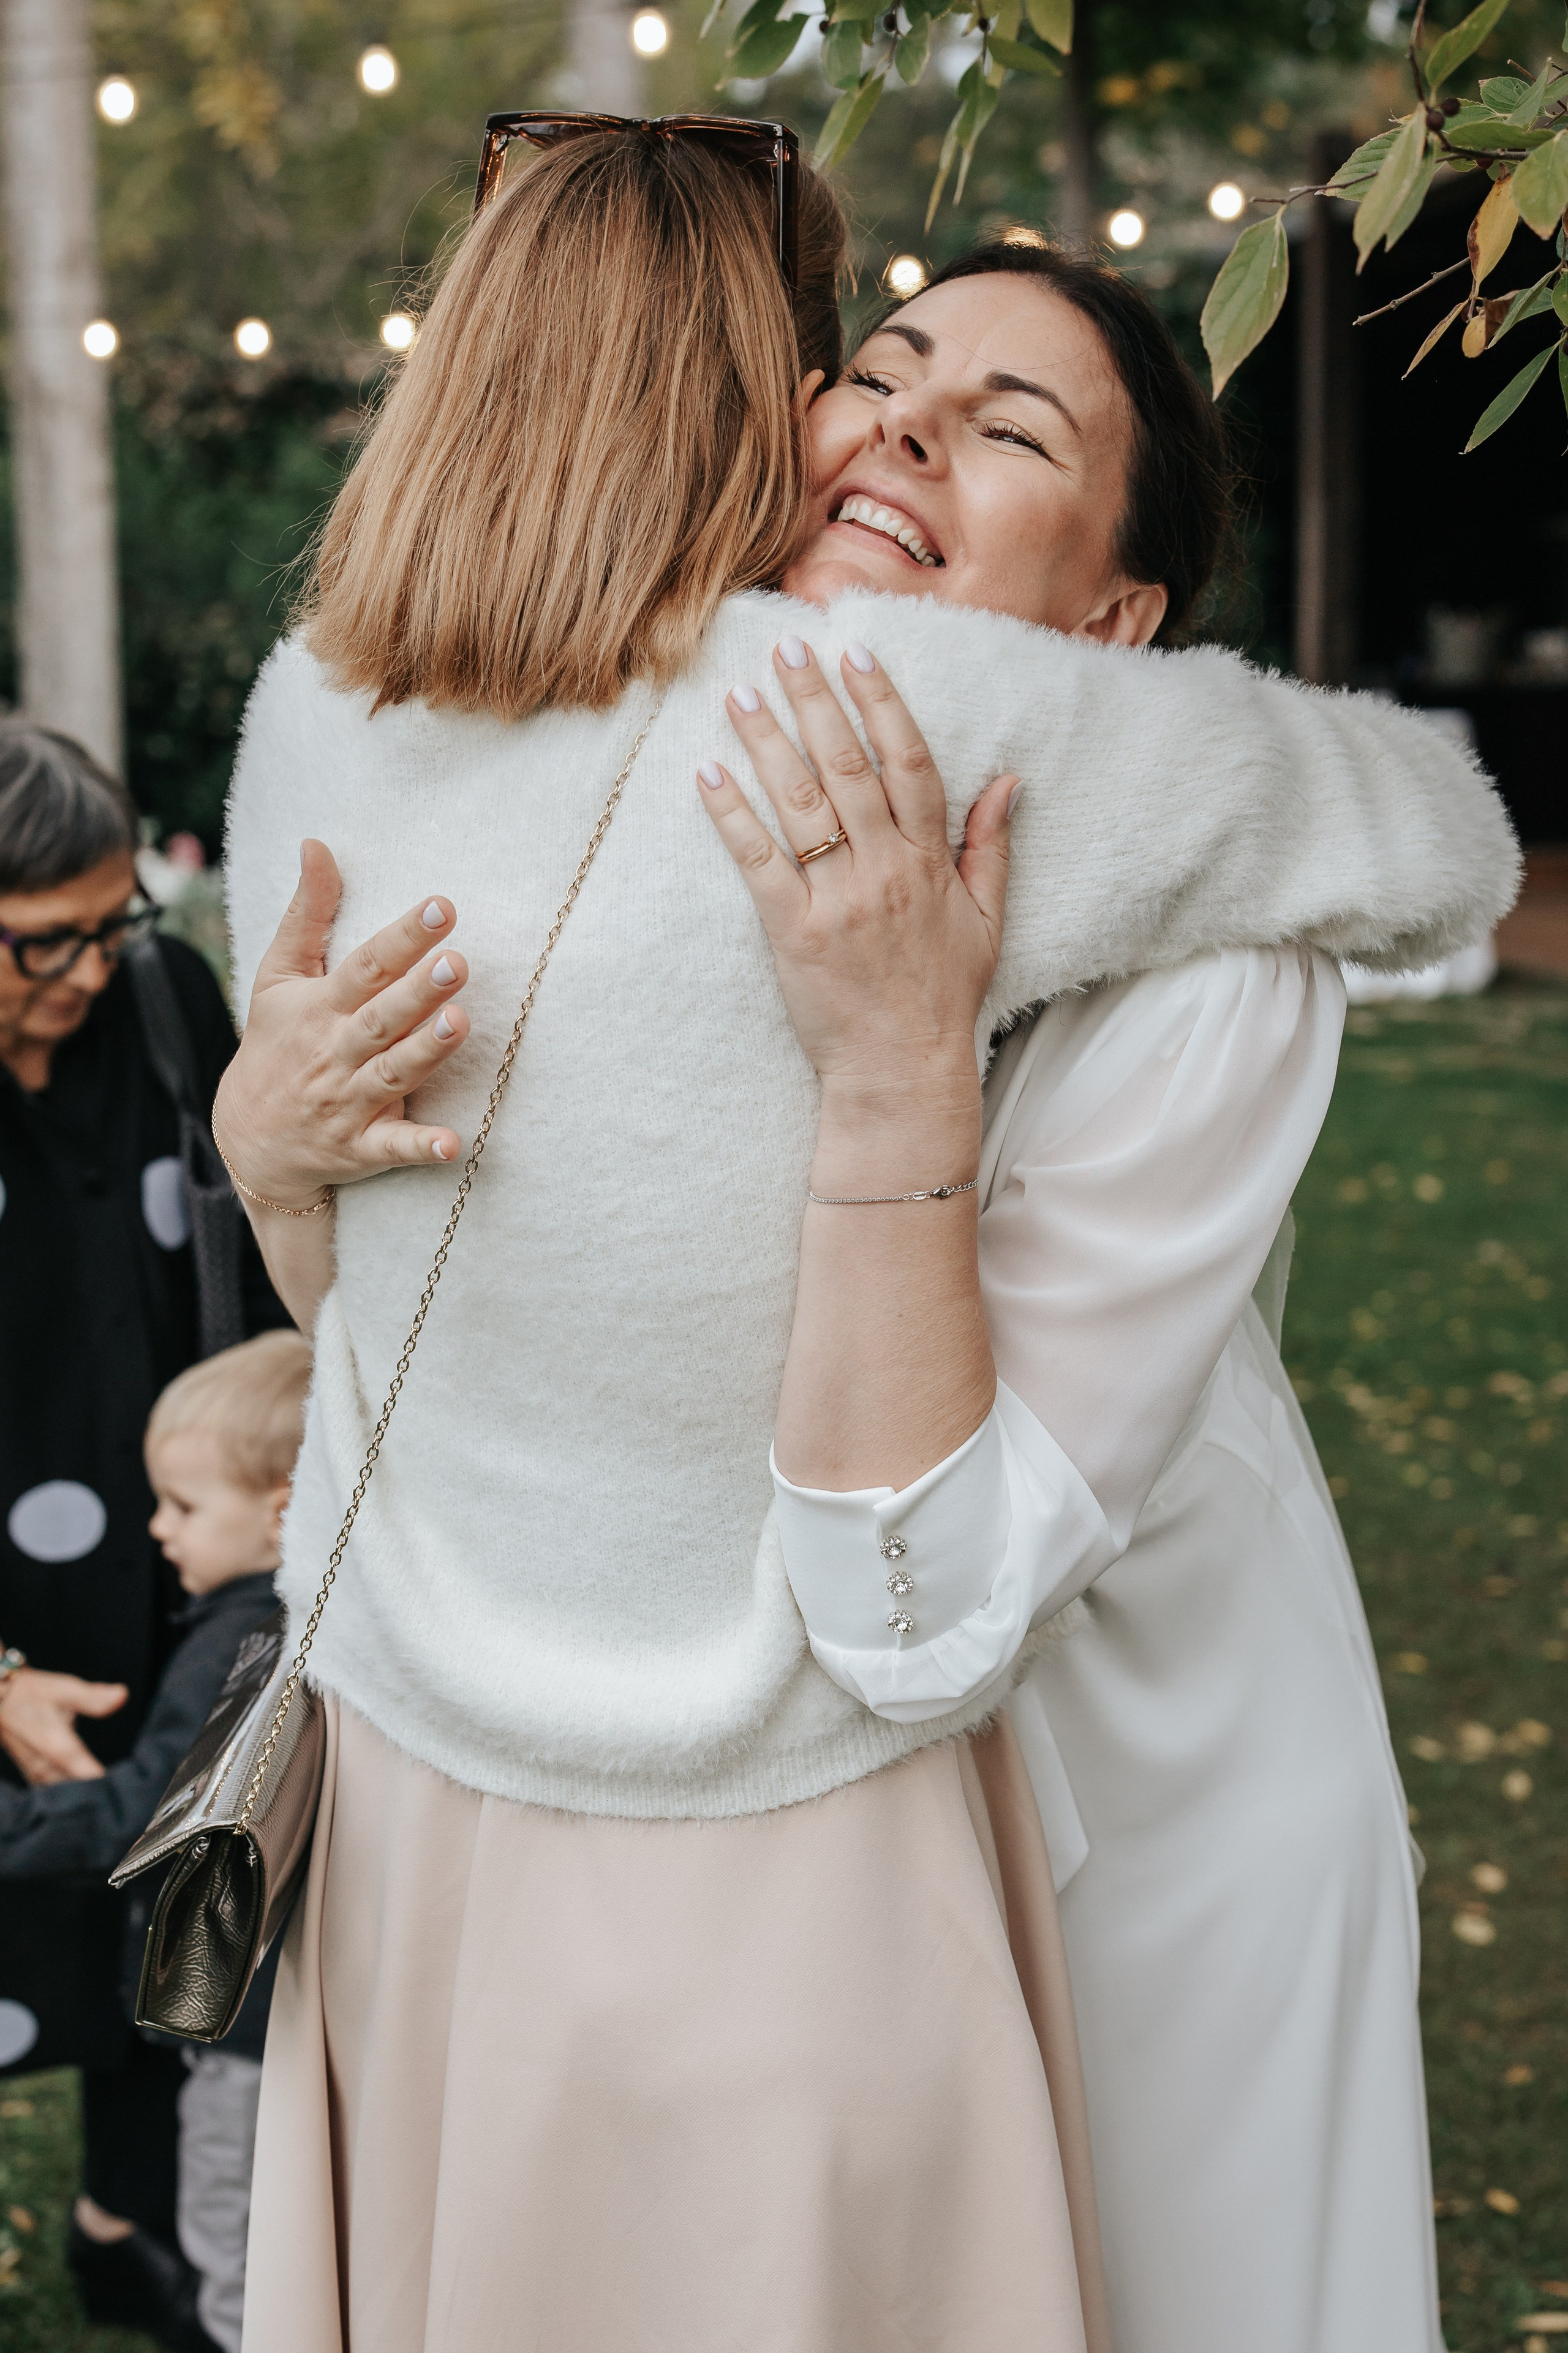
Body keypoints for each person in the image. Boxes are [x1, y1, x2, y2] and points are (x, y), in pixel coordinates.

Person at [216, 132, 1516, 2353]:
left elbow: (933, 1602)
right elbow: (451, 1375)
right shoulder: (628, 796)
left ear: (1120, 624)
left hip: (1126, 1779)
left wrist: (904, 1059)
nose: (905, 423)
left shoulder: (1219, 962)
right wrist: (274, 1149)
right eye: (880, 372)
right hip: (763, 1811)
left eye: (1010, 429)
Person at [0, 722, 287, 2339]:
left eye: (118, 924)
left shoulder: (166, 1000)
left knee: (167, 1926)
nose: (95, 972)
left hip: (193, 1568)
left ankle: (126, 2229)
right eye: (48, 940)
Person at [0, 1330, 311, 2353]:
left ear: (280, 1504)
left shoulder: (248, 1641)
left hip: (251, 2029)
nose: (156, 1527)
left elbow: (156, 1810)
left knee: (236, 2231)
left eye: (182, 1504)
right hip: (293, 2012)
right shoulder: (310, 1618)